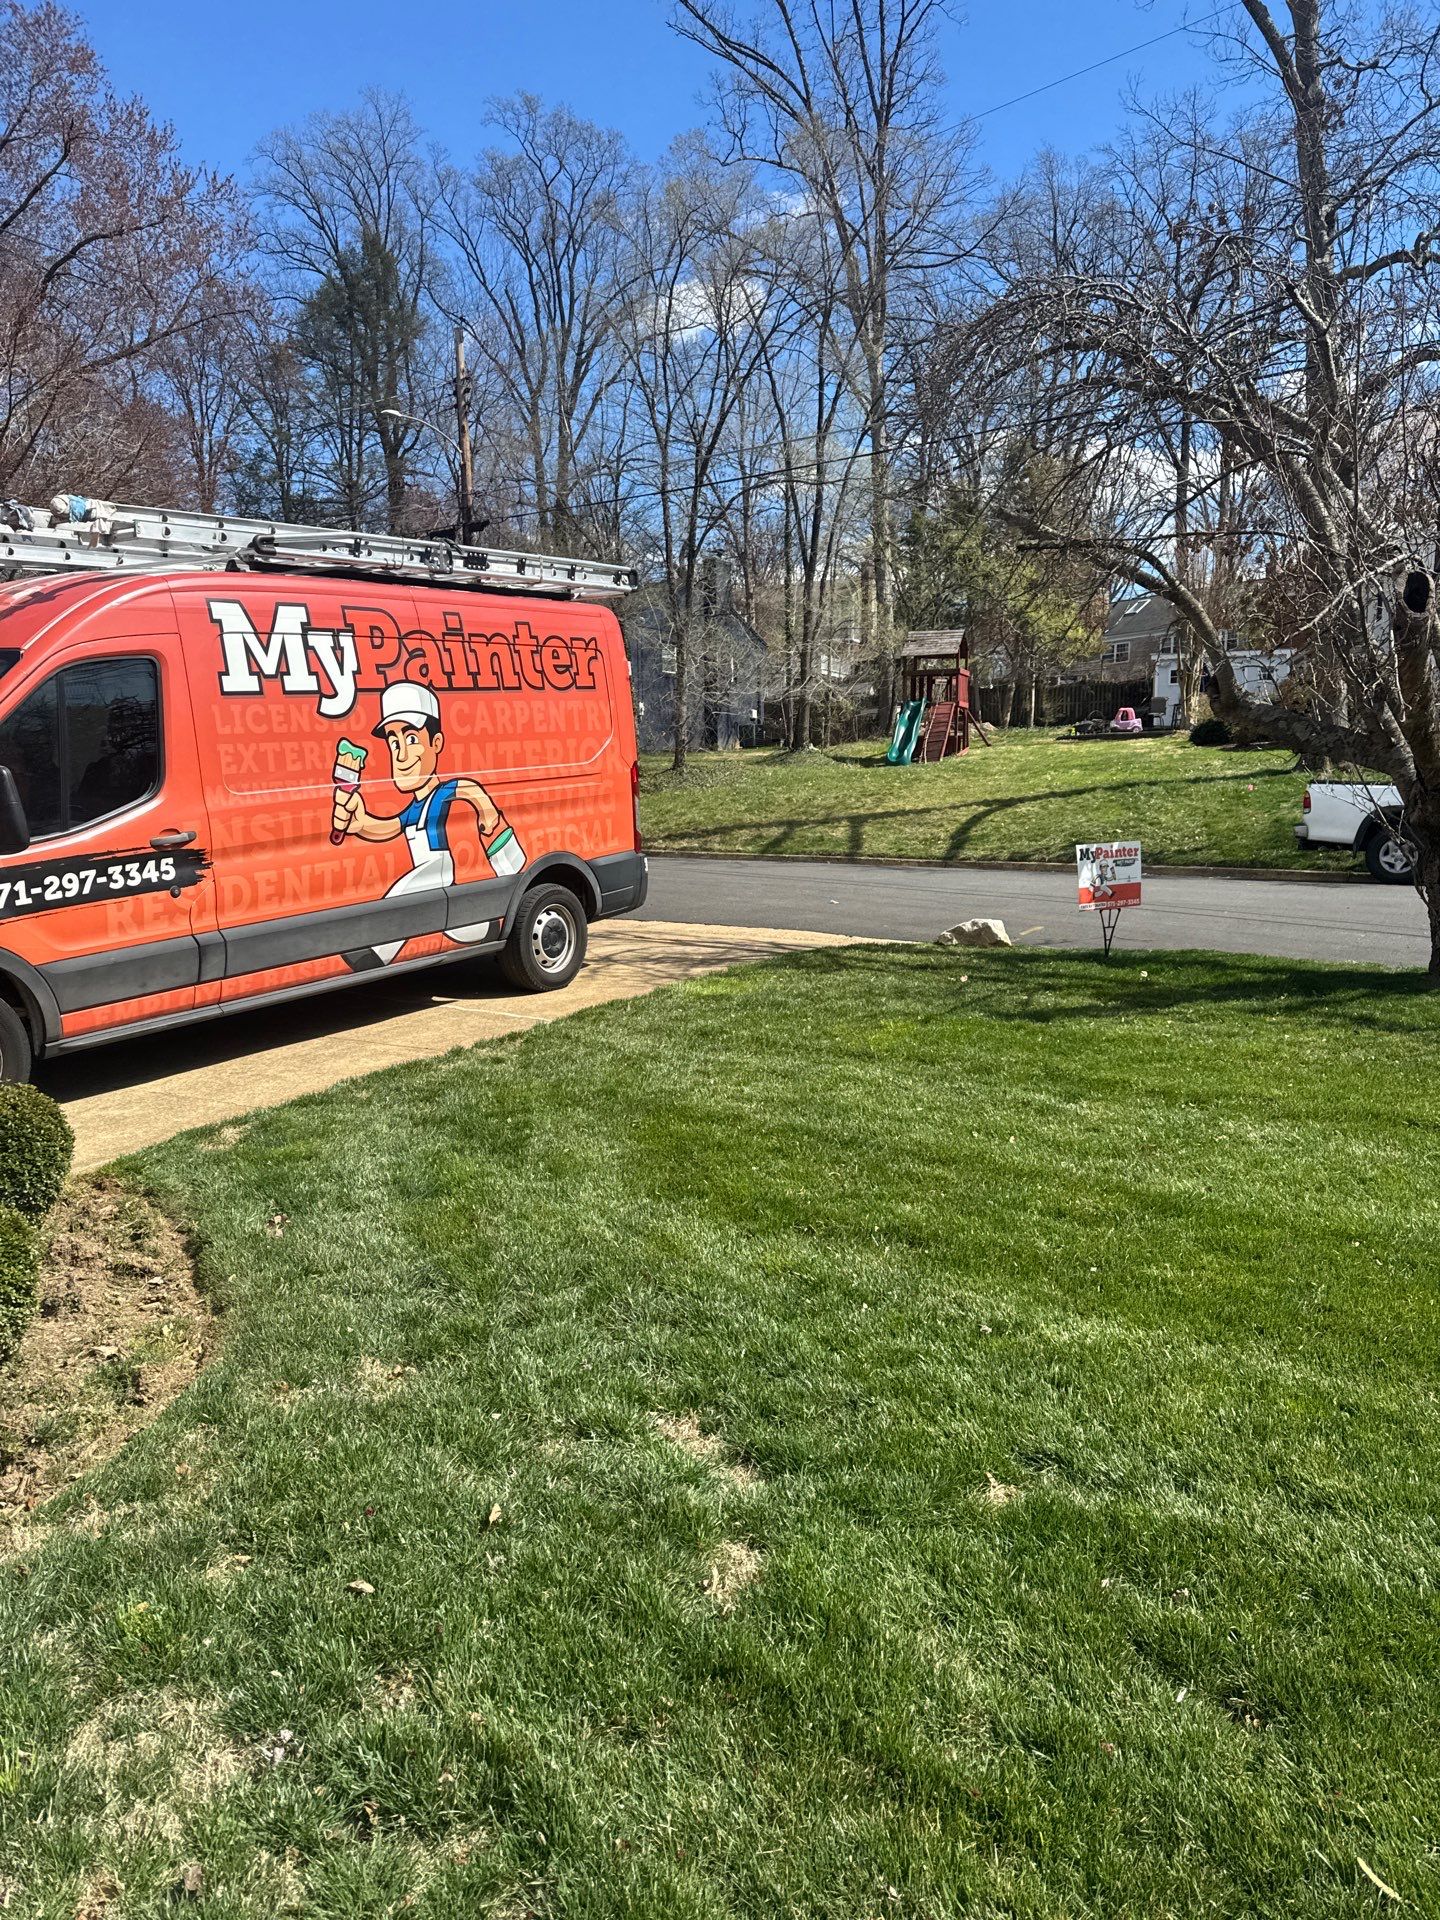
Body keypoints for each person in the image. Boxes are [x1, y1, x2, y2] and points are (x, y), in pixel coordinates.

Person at [330, 682, 520, 969]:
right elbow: (389, 827)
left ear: (436, 744)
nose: (401, 755)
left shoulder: (441, 795)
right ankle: (492, 923)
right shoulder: (413, 808)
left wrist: (487, 812)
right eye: (394, 743)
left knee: (406, 894)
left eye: (411, 739)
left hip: (438, 874)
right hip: (441, 899)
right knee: (464, 923)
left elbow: (467, 789)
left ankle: (372, 952)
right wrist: (360, 823)